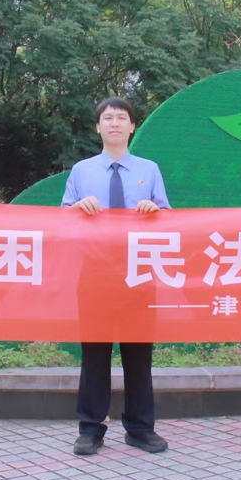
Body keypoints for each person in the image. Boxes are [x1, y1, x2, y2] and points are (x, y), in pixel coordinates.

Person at [61, 97, 171, 456]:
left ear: (132, 126)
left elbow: (168, 219)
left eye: (121, 118)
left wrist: (155, 210)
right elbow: (63, 220)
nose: (114, 123)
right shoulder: (81, 171)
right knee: (95, 354)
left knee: (139, 354)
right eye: (107, 118)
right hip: (94, 274)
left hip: (139, 274)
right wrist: (77, 208)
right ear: (98, 127)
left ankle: (140, 428)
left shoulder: (149, 169)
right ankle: (90, 428)